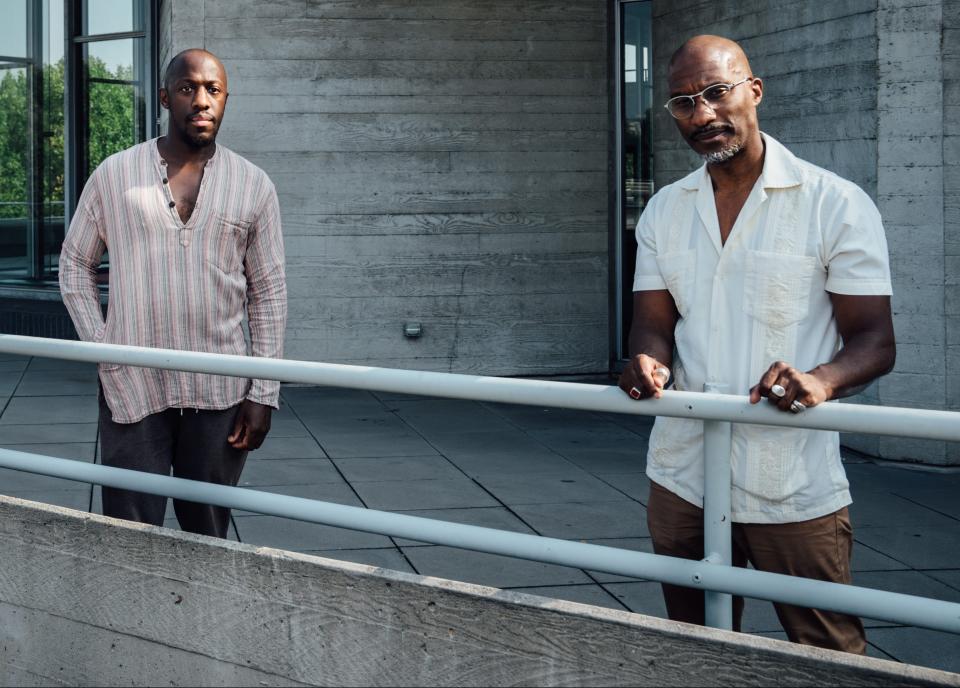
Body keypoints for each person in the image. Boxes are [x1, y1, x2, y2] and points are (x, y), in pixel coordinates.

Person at [618, 35, 895, 653]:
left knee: (827, 651)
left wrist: (820, 380)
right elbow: (653, 324)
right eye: (684, 103)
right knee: (695, 645)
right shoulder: (665, 209)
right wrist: (646, 361)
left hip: (790, 477)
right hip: (682, 472)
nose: (703, 114)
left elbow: (875, 341)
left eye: (716, 93)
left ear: (754, 91)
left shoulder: (835, 203)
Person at [59, 49, 287, 538]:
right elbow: (75, 264)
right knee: (130, 530)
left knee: (207, 529)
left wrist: (263, 393)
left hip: (221, 388)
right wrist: (103, 349)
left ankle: (203, 615)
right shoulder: (114, 175)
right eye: (187, 88)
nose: (201, 100)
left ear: (226, 100)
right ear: (165, 97)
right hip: (133, 383)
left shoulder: (254, 186)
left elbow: (267, 292)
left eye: (213, 90)